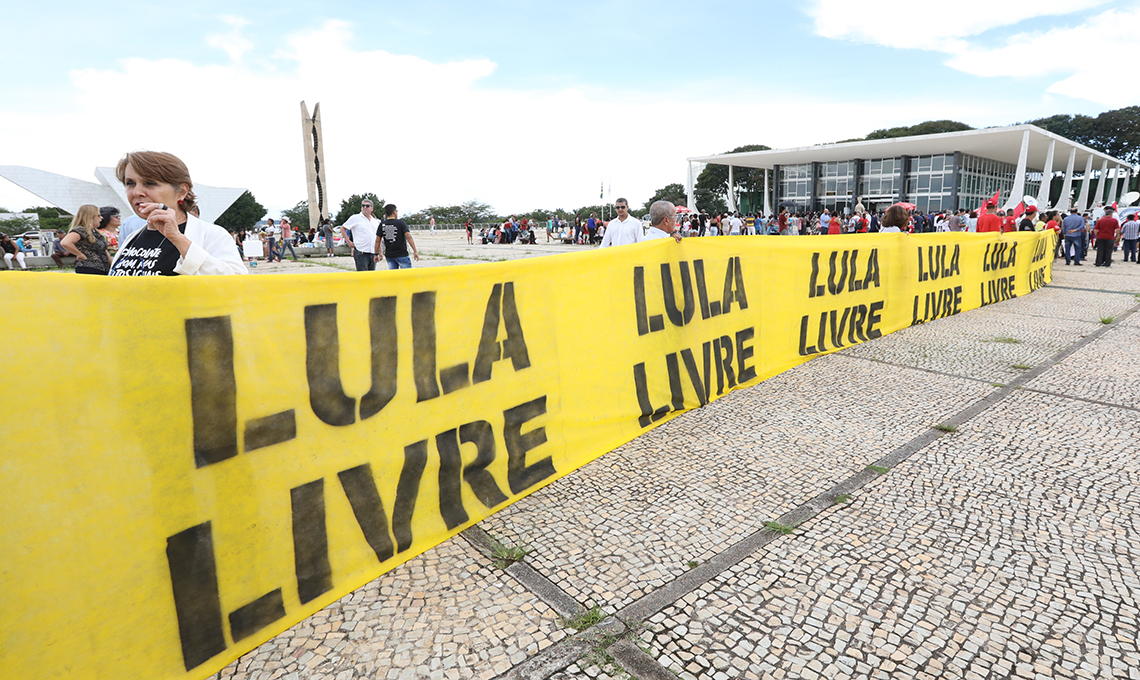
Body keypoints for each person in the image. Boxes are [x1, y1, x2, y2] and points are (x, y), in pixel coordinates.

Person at [107, 151, 246, 276]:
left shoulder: (212, 235)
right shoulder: (133, 238)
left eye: (150, 183)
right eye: (130, 183)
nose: (137, 192)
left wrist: (178, 239)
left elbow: (235, 284)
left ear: (181, 191)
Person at [59, 204, 111, 275]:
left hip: (101, 269)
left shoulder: (95, 232)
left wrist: (112, 265)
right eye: (98, 215)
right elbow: (65, 242)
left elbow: (103, 251)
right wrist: (80, 254)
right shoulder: (81, 230)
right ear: (91, 217)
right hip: (89, 268)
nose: (101, 218)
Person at [375, 204, 419, 269]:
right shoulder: (401, 223)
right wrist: (415, 251)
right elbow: (409, 237)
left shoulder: (382, 224)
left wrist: (376, 254)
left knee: (394, 276)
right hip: (402, 254)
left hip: (389, 255)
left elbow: (377, 241)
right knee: (407, 275)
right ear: (394, 212)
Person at [342, 199, 380, 271]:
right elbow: (343, 228)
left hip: (372, 252)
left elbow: (378, 237)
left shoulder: (375, 221)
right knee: (363, 275)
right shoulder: (355, 218)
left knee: (371, 276)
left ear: (372, 208)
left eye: (367, 206)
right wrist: (348, 241)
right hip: (361, 252)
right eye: (363, 206)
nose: (365, 207)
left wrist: (380, 251)